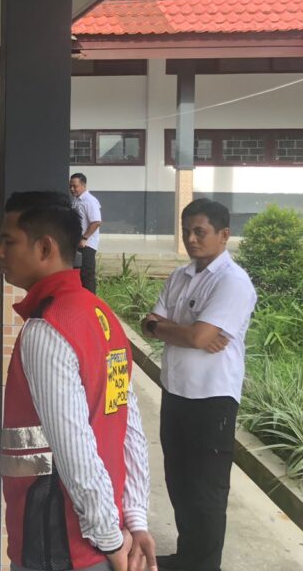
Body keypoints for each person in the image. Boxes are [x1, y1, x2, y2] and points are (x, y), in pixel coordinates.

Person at [0, 191, 155, 571]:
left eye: (8, 242)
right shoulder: (102, 315)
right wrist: (135, 518)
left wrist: (111, 541)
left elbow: (75, 452)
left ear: (45, 248)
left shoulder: (47, 330)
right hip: (106, 534)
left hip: (61, 543)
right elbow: (129, 425)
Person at [141, 199, 256, 571]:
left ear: (224, 235)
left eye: (200, 232)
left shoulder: (232, 282)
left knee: (206, 491)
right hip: (176, 393)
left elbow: (199, 336)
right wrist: (180, 331)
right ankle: (187, 558)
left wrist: (176, 330)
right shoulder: (180, 276)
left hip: (212, 400)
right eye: (186, 230)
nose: (191, 239)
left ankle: (205, 565)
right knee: (179, 481)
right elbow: (150, 322)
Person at [70, 173, 102, 293]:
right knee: (77, 275)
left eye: (75, 186)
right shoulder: (77, 200)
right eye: (70, 186)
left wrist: (84, 238)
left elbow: (96, 222)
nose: (72, 189)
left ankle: (91, 301)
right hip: (77, 243)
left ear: (83, 185)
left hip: (87, 245)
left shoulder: (90, 201)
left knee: (87, 275)